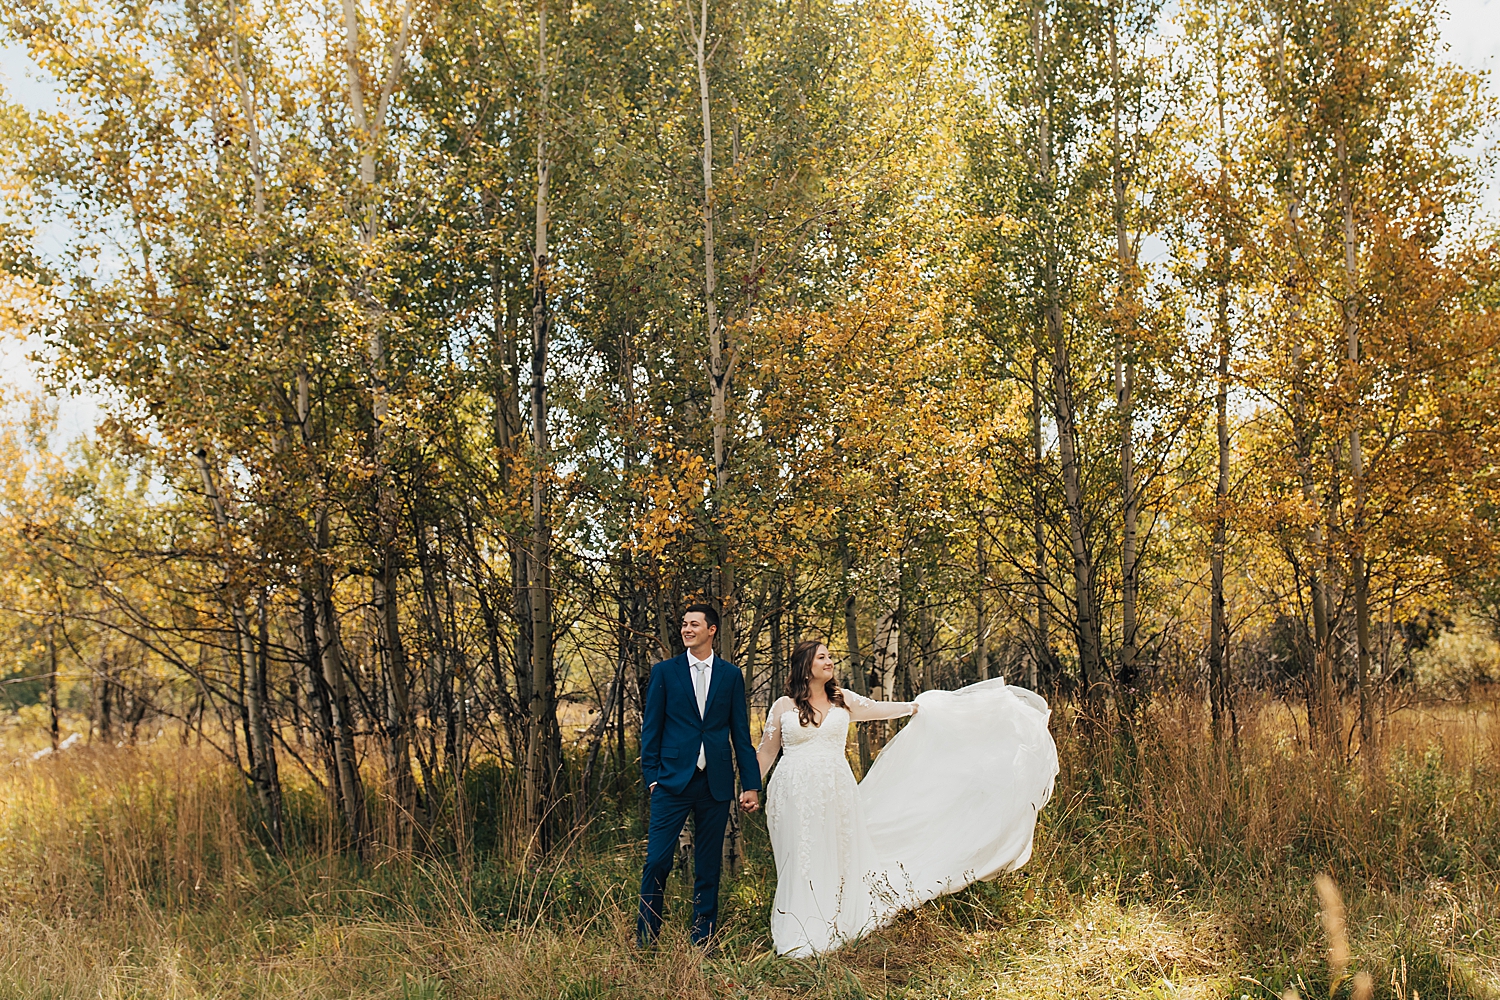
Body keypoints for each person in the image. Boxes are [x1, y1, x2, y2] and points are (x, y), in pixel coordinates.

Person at [756, 640, 1058, 957]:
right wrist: (750, 788)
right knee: (800, 855)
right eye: (822, 657)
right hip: (792, 791)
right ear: (805, 665)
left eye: (830, 656)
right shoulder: (783, 706)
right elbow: (766, 752)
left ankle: (833, 918)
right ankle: (800, 922)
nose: (830, 661)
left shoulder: (842, 699)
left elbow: (878, 709)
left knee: (835, 851)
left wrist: (916, 707)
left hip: (835, 790)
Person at [637, 604, 761, 947]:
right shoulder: (665, 672)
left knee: (708, 866)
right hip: (671, 782)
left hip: (715, 783)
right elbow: (651, 729)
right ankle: (647, 939)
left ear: (712, 630)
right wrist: (652, 777)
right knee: (657, 861)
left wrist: (750, 784)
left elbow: (740, 733)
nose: (686, 629)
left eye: (694, 624)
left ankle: (702, 940)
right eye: (684, 624)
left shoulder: (730, 675)